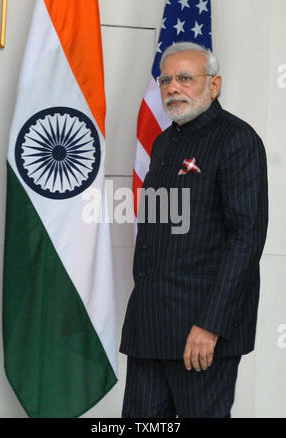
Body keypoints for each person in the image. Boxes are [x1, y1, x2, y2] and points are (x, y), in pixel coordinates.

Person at [120, 42, 268, 418]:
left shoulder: (237, 139)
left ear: (214, 85)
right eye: (166, 79)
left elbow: (246, 237)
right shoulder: (163, 142)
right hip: (150, 327)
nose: (173, 87)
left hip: (199, 331)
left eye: (185, 78)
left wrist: (210, 325)